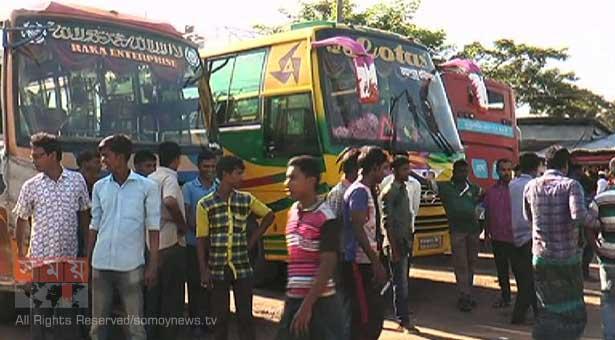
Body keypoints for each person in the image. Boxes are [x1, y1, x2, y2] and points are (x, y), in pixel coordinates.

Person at [13, 133, 91, 340]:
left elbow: (85, 217)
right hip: (40, 264)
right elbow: (21, 221)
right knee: (39, 321)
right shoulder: (31, 186)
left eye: (38, 156)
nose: (33, 160)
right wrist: (21, 259)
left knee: (67, 322)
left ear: (53, 155)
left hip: (69, 263)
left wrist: (87, 254)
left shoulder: (76, 181)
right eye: (33, 156)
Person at [88, 135, 161, 340]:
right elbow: (95, 224)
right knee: (98, 325)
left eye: (106, 156)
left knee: (135, 327)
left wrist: (153, 264)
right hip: (100, 264)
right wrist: (88, 260)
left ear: (120, 157)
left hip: (131, 266)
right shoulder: (99, 187)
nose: (102, 161)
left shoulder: (147, 187)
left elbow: (153, 227)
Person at [196, 155, 275, 340]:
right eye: (238, 174)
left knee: (245, 317)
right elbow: (201, 239)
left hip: (242, 267)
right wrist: (204, 269)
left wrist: (252, 241)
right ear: (225, 174)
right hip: (217, 267)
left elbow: (269, 215)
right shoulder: (205, 204)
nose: (242, 178)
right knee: (220, 318)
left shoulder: (246, 199)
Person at [524, 146, 597, 339]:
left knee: (546, 304)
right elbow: (579, 216)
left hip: (541, 256)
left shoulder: (531, 186)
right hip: (567, 258)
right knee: (571, 306)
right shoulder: (571, 185)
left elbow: (528, 218)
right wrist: (598, 221)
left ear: (546, 164)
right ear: (566, 165)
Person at [275, 156, 342, 340]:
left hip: (320, 304)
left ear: (311, 181)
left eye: (293, 178)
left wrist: (307, 306)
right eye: (287, 178)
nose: (286, 183)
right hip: (294, 300)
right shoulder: (293, 212)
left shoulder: (326, 217)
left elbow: (328, 265)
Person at [340, 146, 389, 340]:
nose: (386, 173)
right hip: (358, 262)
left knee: (371, 315)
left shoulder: (367, 191)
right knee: (365, 317)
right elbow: (358, 229)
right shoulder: (359, 192)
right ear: (374, 168)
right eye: (384, 168)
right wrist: (375, 262)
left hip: (366, 261)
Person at [146, 141, 188, 340]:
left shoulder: (150, 178)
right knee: (172, 299)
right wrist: (181, 224)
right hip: (170, 244)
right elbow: (169, 201)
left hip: (151, 245)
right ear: (177, 160)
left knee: (153, 297)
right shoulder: (170, 179)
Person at [380, 155, 420, 333]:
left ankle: (384, 308)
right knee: (400, 282)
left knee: (398, 280)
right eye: (404, 169)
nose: (408, 172)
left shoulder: (405, 188)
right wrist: (394, 247)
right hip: (396, 243)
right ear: (394, 171)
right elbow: (387, 222)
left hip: (405, 240)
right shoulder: (390, 191)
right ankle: (403, 319)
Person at [182, 148, 219, 337]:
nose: (210, 169)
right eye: (206, 166)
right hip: (193, 244)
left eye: (213, 166)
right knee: (195, 284)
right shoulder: (188, 188)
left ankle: (210, 322)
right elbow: (189, 218)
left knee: (214, 286)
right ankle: (196, 322)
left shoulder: (220, 187)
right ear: (199, 167)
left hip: (215, 246)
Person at [437, 159, 482, 312]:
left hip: (473, 231)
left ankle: (468, 293)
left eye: (466, 171)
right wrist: (411, 172)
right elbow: (427, 183)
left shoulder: (474, 188)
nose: (463, 174)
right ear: (454, 172)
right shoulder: (445, 188)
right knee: (461, 264)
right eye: (460, 171)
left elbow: (482, 201)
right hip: (457, 231)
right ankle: (464, 296)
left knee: (471, 263)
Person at [325, 147, 360, 340]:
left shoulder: (356, 191)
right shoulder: (339, 194)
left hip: (349, 255)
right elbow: (332, 227)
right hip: (340, 257)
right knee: (342, 300)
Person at [507, 153, 540, 324]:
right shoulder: (535, 185)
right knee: (531, 279)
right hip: (530, 236)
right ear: (536, 168)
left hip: (513, 236)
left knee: (522, 278)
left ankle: (533, 312)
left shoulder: (512, 185)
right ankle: (520, 314)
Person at [483, 159, 514, 309]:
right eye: (503, 170)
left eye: (509, 169)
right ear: (497, 171)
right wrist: (487, 235)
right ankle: (505, 297)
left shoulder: (517, 189)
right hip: (498, 237)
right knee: (502, 270)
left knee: (519, 270)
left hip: (516, 238)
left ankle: (523, 301)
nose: (506, 173)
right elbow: (488, 214)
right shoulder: (491, 192)